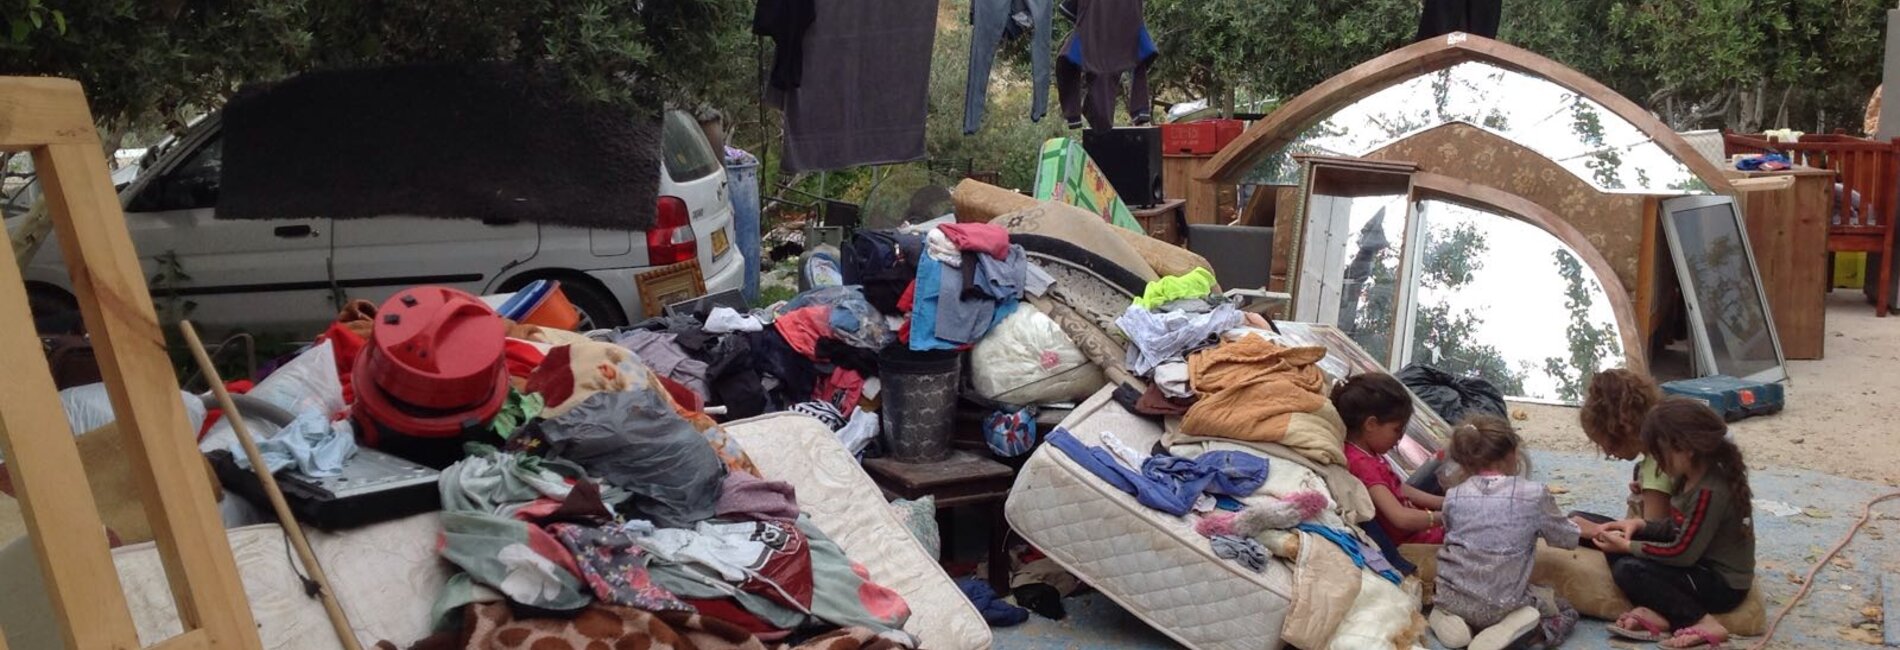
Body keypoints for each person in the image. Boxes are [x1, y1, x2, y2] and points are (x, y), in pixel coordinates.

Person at [1597, 398, 1756, 649]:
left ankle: (1702, 621)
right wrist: (1640, 527)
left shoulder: (1710, 491)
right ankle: (1660, 613)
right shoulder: (1688, 476)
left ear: (1685, 448)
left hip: (1721, 584)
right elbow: (1678, 526)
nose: (1658, 463)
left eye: (1660, 454)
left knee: (1628, 568)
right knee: (1613, 540)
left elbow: (1682, 553)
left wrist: (1629, 547)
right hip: (1698, 562)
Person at [1429, 416, 1579, 650]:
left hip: (1453, 598)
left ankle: (1447, 621)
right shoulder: (1534, 493)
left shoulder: (1453, 495)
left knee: (1444, 603)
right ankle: (1522, 628)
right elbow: (1567, 539)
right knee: (1564, 609)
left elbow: (1451, 533)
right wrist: (1577, 525)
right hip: (1504, 604)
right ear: (1513, 453)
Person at [1338, 373, 1445, 546]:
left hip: (1423, 535)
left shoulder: (1370, 455)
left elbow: (1399, 488)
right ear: (1371, 424)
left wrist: (1447, 503)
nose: (1399, 439)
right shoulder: (1361, 463)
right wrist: (1449, 516)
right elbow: (1400, 518)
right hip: (1413, 546)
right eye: (1397, 430)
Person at [1570, 369, 1671, 542]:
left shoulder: (1658, 464)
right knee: (1574, 521)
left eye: (1608, 445)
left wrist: (1597, 531)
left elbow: (1655, 537)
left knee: (1575, 530)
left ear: (1624, 429)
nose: (1608, 453)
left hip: (1668, 554)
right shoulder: (1663, 442)